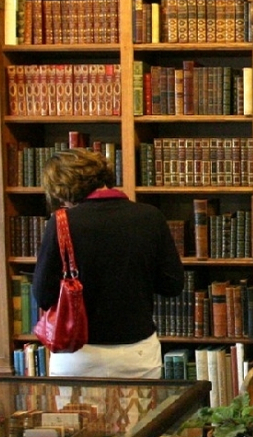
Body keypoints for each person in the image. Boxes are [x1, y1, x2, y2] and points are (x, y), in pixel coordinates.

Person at [31, 149, 185, 379]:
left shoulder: (61, 224)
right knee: (145, 416)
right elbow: (172, 285)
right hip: (138, 353)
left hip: (78, 354)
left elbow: (43, 295)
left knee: (80, 416)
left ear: (61, 189)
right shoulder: (150, 216)